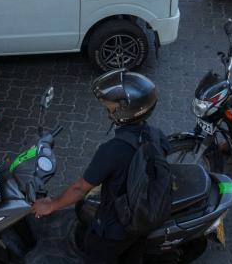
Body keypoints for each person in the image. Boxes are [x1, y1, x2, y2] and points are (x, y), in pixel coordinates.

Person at [31, 71, 167, 264]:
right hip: (141, 220)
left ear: (125, 110)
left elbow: (79, 188)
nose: (107, 108)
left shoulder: (112, 150)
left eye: (111, 106)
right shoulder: (155, 134)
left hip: (115, 228)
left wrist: (52, 204)